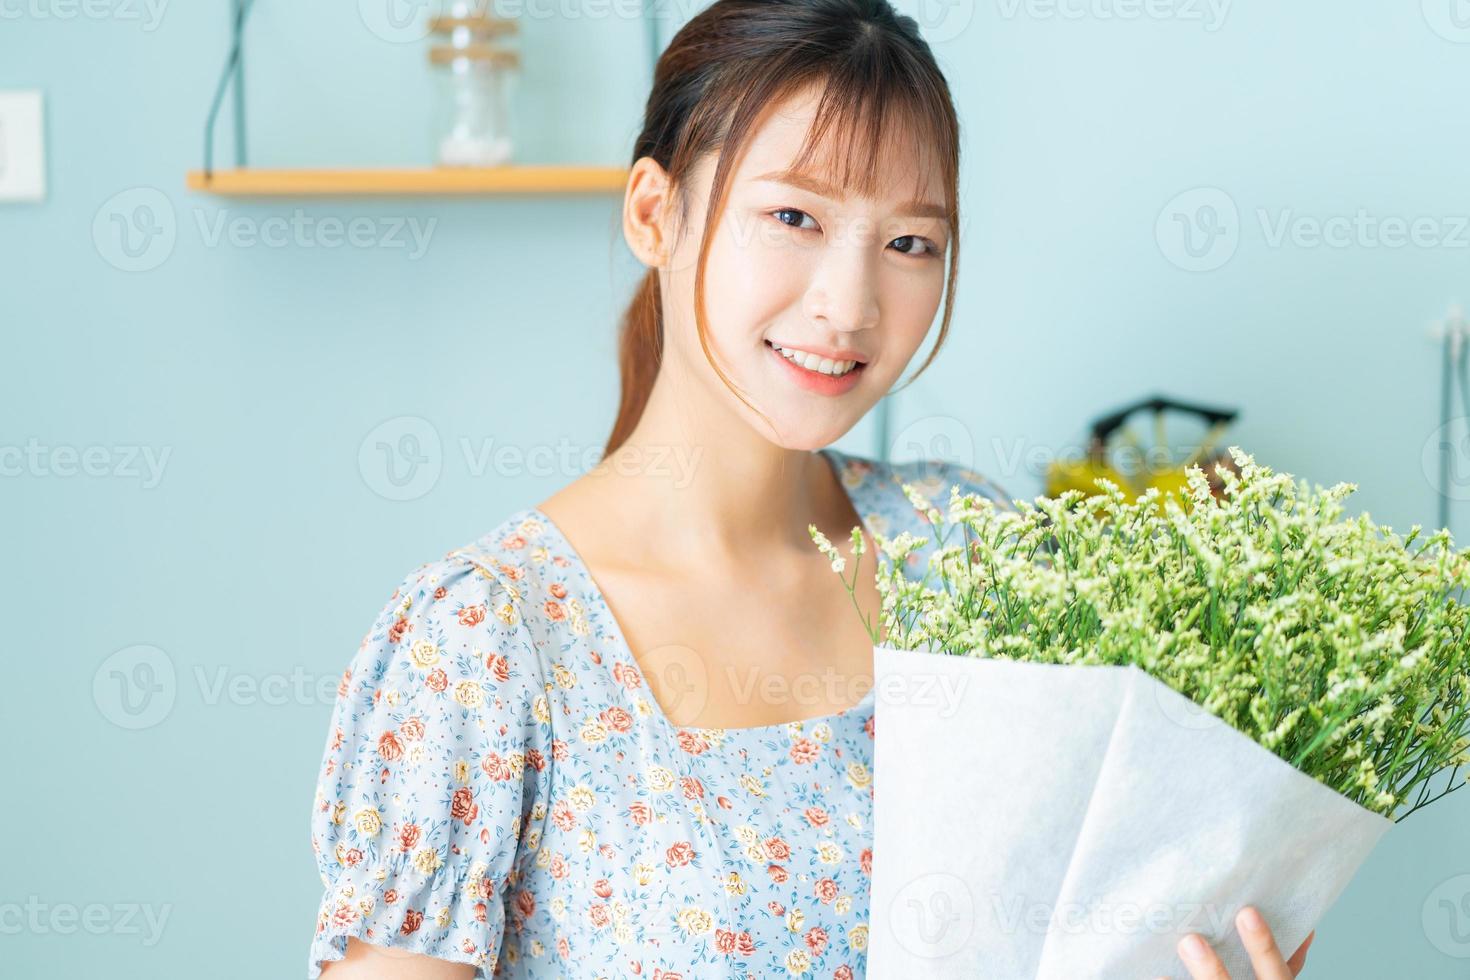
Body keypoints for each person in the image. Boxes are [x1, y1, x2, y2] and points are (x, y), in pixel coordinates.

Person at [306, 0, 1313, 976]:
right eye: (794, 215)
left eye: (909, 242)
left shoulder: (965, 550)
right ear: (657, 213)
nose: (850, 303)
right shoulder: (483, 643)